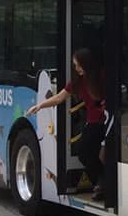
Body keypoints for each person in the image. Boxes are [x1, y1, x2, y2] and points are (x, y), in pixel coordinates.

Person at [27, 48, 111, 200]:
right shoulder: (77, 82)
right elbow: (59, 98)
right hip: (93, 123)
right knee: (83, 152)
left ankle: (102, 183)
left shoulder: (102, 77)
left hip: (106, 121)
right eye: (75, 65)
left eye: (78, 64)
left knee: (91, 152)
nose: (76, 68)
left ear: (87, 63)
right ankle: (101, 182)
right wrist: (40, 106)